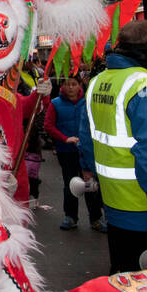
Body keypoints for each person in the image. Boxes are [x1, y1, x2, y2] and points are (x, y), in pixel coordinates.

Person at [78, 19, 147, 273]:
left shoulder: (98, 82)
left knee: (122, 275)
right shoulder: (146, 87)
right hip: (146, 206)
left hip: (114, 200)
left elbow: (87, 140)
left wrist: (93, 174)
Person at [45, 75, 105, 231]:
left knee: (90, 185)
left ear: (80, 85)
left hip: (87, 151)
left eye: (74, 84)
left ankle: (96, 218)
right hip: (67, 151)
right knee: (70, 183)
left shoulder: (88, 103)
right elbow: (49, 125)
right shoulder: (55, 104)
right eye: (67, 84)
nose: (70, 87)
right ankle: (70, 216)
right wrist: (65, 139)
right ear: (62, 87)